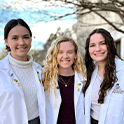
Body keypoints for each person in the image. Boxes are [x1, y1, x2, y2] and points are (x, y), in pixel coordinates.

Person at [0, 18, 46, 124]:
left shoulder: (40, 70)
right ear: (6, 42)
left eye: (25, 37)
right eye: (15, 38)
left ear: (30, 40)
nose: (21, 42)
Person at [83, 28, 124, 124]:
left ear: (110, 45)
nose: (97, 49)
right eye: (92, 45)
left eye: (102, 43)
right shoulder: (89, 72)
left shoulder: (122, 71)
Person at [42, 36, 86, 124]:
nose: (65, 56)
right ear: (54, 55)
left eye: (69, 52)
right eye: (60, 52)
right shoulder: (45, 78)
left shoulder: (84, 78)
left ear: (75, 55)